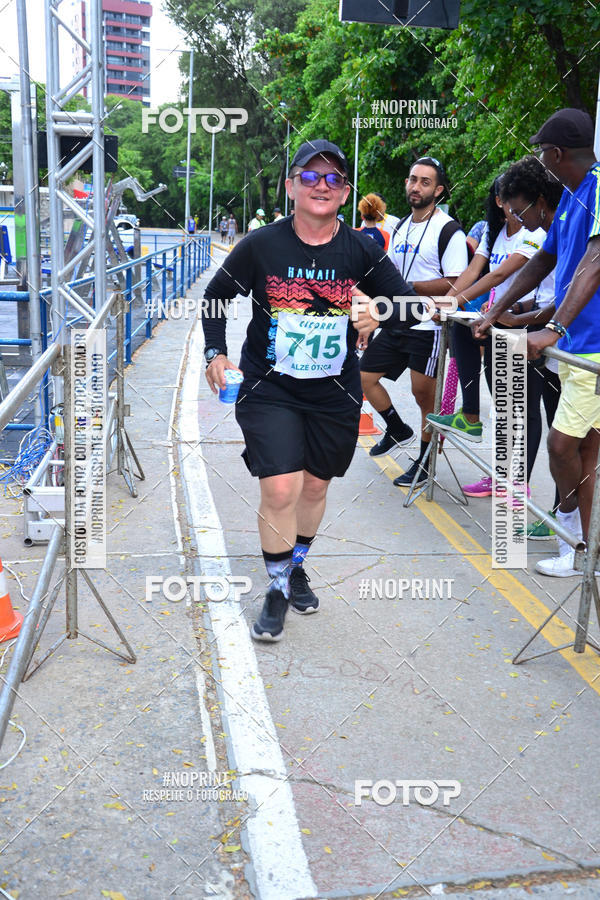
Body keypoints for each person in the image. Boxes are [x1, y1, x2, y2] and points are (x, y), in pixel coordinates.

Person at [201, 139, 418, 641]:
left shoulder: (362, 249)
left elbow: (408, 305)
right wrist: (215, 354)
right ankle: (276, 588)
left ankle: (295, 563)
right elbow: (215, 297)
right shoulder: (262, 244)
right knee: (281, 486)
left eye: (334, 179)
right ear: (291, 185)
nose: (322, 186)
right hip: (269, 386)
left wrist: (377, 312)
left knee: (316, 486)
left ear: (344, 194)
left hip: (333, 392)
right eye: (311, 176)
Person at [474, 108, 600, 577]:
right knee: (584, 451)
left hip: (591, 347)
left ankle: (571, 541)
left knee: (561, 445)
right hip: (578, 345)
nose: (541, 162)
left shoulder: (599, 188)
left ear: (557, 153)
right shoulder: (570, 195)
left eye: (542, 153)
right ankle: (584, 548)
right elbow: (541, 265)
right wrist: (494, 309)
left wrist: (554, 329)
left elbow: (595, 262)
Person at [427, 173, 545, 498]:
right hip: (497, 324)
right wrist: (450, 301)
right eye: (513, 202)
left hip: (525, 324)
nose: (520, 210)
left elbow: (499, 275)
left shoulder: (535, 233)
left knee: (523, 409)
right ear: (499, 201)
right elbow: (473, 271)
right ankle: (493, 463)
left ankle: (518, 484)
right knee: (503, 405)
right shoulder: (494, 232)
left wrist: (455, 301)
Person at [360, 156, 468, 487]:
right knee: (363, 376)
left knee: (424, 395)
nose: (415, 186)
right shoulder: (402, 226)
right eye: (412, 179)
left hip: (430, 325)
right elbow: (389, 274)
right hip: (398, 319)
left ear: (438, 190)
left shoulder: (449, 229)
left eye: (424, 182)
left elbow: (456, 281)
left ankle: (425, 461)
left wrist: (411, 288)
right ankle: (396, 427)